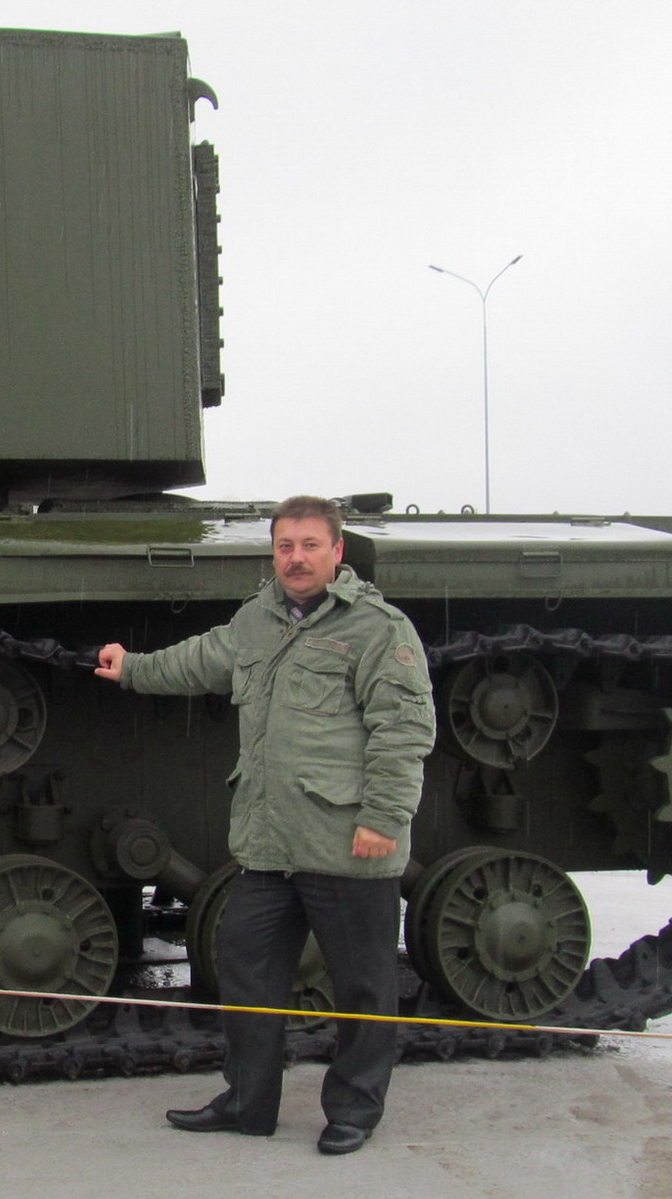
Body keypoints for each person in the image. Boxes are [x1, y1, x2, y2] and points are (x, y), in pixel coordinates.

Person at [93, 495, 433, 1156]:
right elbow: (203, 659)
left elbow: (404, 730)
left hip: (346, 843)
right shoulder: (260, 618)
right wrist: (133, 668)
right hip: (270, 845)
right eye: (285, 546)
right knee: (245, 970)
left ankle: (354, 1110)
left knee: (362, 986)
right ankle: (249, 1103)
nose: (296, 558)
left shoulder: (378, 629)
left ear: (337, 551)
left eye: (310, 545)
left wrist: (384, 818)